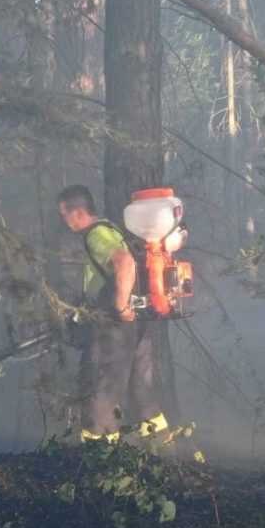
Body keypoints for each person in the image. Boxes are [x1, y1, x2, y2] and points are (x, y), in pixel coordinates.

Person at [57, 184, 169, 442]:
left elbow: (124, 262)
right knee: (143, 393)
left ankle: (102, 465)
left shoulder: (96, 235)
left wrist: (119, 305)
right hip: (136, 326)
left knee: (101, 396)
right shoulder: (111, 228)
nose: (64, 221)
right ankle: (167, 455)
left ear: (77, 212)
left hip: (116, 327)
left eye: (64, 214)